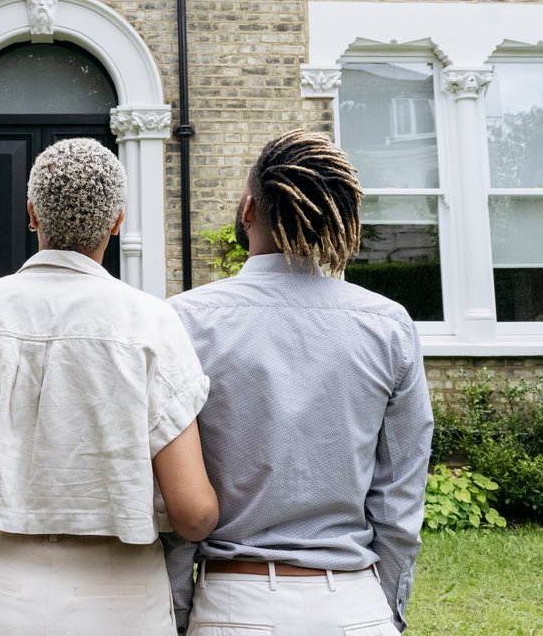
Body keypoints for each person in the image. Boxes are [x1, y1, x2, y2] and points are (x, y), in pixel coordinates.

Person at [0, 137, 218, 636]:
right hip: (120, 592)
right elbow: (191, 513)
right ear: (117, 222)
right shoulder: (150, 322)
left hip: (1, 585)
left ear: (32, 214)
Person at [166, 130, 433, 636]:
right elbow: (399, 503)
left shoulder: (185, 322)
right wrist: (385, 614)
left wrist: (178, 613)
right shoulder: (389, 326)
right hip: (355, 606)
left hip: (233, 603)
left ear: (247, 210)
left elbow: (174, 505)